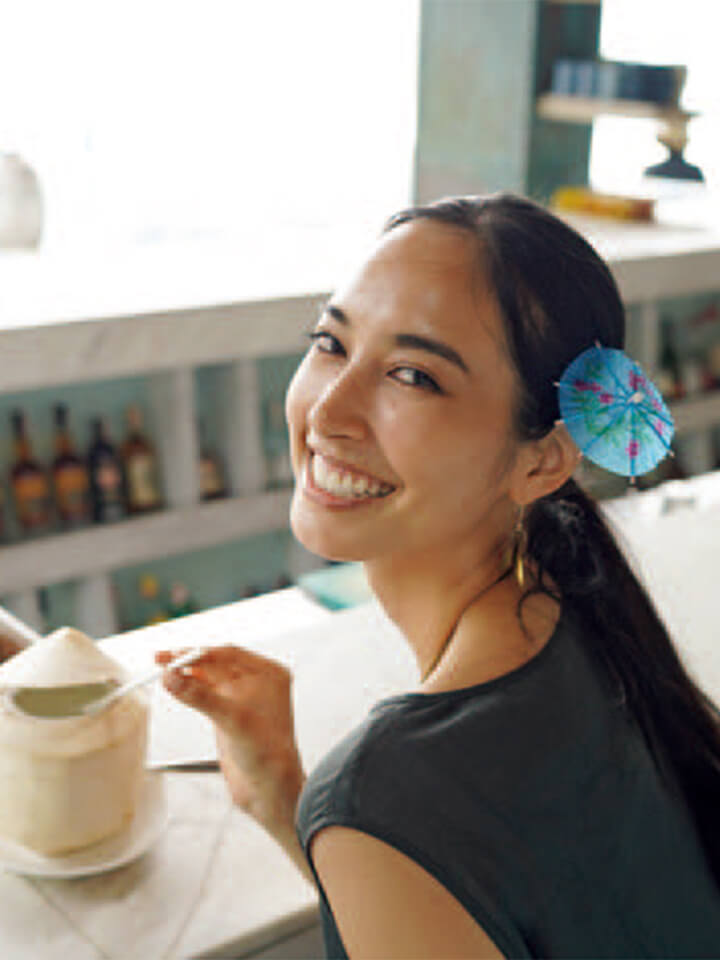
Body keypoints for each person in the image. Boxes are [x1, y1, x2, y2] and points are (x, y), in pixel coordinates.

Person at [157, 193, 720, 958]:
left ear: (542, 460)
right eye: (330, 342)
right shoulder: (581, 614)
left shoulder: (391, 797)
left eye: (414, 376)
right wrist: (286, 794)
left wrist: (345, 816)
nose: (328, 414)